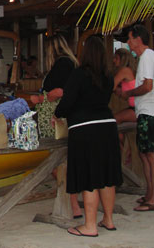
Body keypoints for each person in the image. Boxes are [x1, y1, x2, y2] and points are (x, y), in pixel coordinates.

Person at [55, 36, 122, 237]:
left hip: (85, 128)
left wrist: (57, 114)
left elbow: (67, 102)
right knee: (106, 176)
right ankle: (108, 220)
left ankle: (89, 226)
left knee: (89, 177)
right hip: (108, 127)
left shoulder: (78, 75)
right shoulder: (108, 76)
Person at [30, 34, 82, 218]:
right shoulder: (72, 63)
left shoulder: (62, 64)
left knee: (57, 162)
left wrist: (42, 98)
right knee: (63, 162)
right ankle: (71, 202)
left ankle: (72, 203)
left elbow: (60, 91)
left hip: (54, 117)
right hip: (62, 116)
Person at [121, 24, 154, 212]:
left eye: (130, 38)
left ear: (138, 39)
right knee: (145, 155)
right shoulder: (145, 58)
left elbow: (148, 86)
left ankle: (153, 197)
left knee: (150, 155)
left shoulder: (148, 56)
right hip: (145, 112)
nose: (128, 42)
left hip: (149, 112)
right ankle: (149, 193)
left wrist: (131, 93)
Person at [113, 48, 137, 124]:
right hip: (134, 107)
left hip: (137, 108)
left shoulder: (125, 71)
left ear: (122, 59)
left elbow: (111, 86)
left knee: (114, 120)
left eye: (116, 58)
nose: (114, 60)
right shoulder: (129, 71)